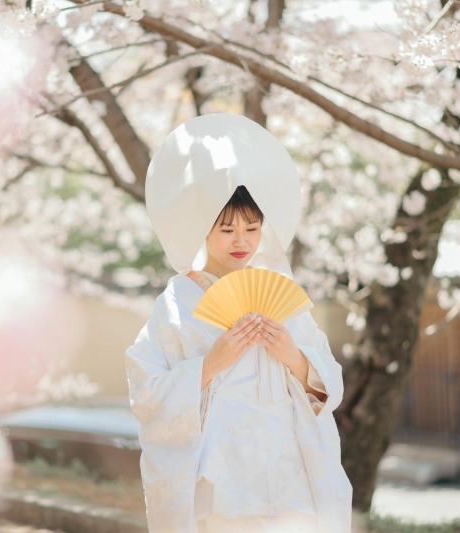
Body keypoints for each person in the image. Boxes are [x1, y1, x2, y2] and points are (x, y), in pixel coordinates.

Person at [125, 113, 352, 532]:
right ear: (202, 229)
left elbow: (330, 388)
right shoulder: (177, 302)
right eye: (227, 228)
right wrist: (210, 363)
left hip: (289, 476)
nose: (242, 241)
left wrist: (296, 359)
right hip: (220, 478)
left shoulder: (281, 294)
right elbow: (146, 395)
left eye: (252, 227)